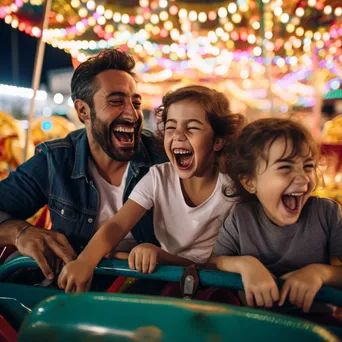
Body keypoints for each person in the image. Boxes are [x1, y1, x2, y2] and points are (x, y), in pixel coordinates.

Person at [57, 85, 245, 292]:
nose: (179, 136)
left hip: (212, 284)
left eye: (192, 128)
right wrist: (85, 261)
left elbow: (215, 264)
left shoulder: (231, 191)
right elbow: (117, 225)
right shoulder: (158, 177)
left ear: (218, 141)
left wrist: (160, 255)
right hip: (168, 277)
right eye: (171, 127)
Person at [0, 48, 166, 281]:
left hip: (148, 291)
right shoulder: (56, 160)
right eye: (116, 102)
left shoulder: (162, 159)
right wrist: (20, 232)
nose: (132, 114)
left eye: (136, 103)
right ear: (83, 110)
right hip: (75, 289)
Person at [209, 118, 342, 313]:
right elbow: (213, 263)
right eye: (285, 167)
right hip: (255, 323)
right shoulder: (241, 217)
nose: (304, 177)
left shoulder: (327, 213)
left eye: (308, 166)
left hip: (315, 326)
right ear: (249, 181)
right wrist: (245, 264)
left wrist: (321, 273)